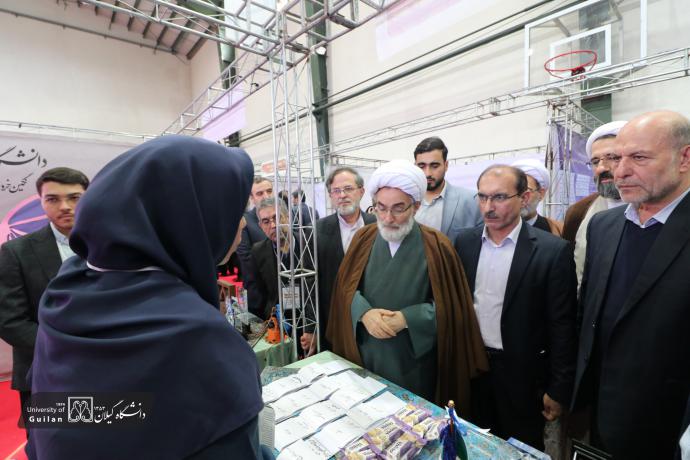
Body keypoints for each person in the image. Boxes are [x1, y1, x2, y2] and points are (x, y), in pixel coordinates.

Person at [26, 136, 264, 459]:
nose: (242, 223)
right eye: (235, 210)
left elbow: (57, 417)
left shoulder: (66, 292)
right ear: (186, 218)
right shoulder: (197, 338)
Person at [572, 111, 690, 460]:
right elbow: (589, 313)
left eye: (638, 158)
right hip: (601, 415)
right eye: (616, 157)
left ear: (684, 158)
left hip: (669, 426)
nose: (619, 171)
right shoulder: (603, 226)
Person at [327, 159, 488, 411]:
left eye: (398, 208)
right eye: (381, 208)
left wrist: (407, 319)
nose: (388, 218)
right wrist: (363, 313)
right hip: (366, 358)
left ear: (416, 206)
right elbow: (344, 291)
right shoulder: (363, 238)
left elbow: (452, 310)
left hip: (415, 366)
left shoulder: (437, 246)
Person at [454, 165, 577, 450]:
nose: (488, 207)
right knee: (473, 444)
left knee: (520, 448)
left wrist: (558, 388)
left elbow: (562, 325)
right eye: (482, 197)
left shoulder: (551, 251)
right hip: (474, 368)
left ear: (524, 198)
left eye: (499, 197)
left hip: (523, 376)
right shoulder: (465, 242)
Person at [0, 167, 89, 431]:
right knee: (47, 443)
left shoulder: (113, 246)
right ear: (41, 202)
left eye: (74, 198)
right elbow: (9, 320)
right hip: (43, 371)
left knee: (103, 440)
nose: (65, 206)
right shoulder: (17, 252)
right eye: (52, 199)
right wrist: (67, 347)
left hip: (107, 368)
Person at [301, 167, 376, 353]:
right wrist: (311, 328)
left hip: (372, 320)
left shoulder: (378, 226)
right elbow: (309, 283)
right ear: (330, 196)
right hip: (333, 323)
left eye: (348, 189)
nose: (342, 195)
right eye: (336, 191)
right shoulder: (314, 231)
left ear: (361, 191)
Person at [561, 121, 626, 287]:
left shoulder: (656, 207)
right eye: (595, 161)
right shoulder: (579, 212)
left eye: (612, 157)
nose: (600, 169)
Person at [413, 136, 482, 240]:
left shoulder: (472, 200)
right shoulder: (406, 201)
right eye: (421, 166)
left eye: (434, 166)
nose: (427, 173)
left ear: (446, 165)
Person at [237, 176, 274, 314]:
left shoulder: (284, 217)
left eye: (269, 191)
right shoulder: (244, 221)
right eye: (260, 193)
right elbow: (246, 260)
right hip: (260, 296)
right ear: (251, 198)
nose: (266, 196)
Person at [511, 158, 563, 236]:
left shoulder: (557, 230)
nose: (520, 198)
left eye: (526, 190)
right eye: (515, 190)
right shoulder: (494, 228)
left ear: (541, 194)